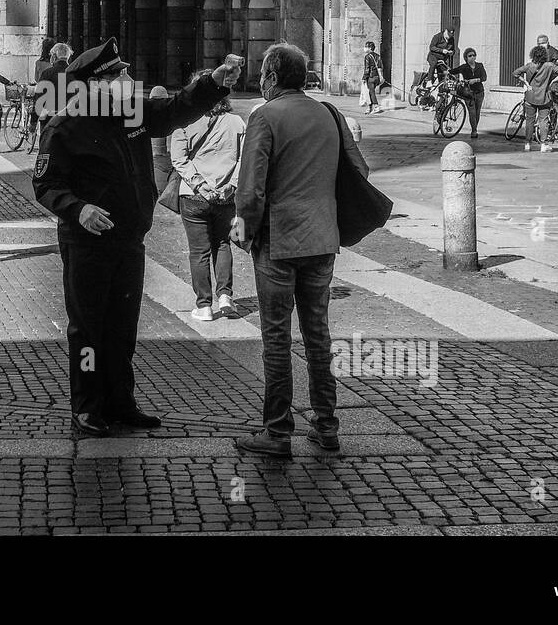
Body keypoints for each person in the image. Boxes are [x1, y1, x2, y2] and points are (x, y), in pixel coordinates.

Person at [33, 38, 243, 437]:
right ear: (95, 84)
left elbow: (173, 111)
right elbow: (45, 183)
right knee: (89, 328)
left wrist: (214, 83)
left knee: (122, 325)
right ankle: (88, 407)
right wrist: (78, 209)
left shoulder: (131, 114)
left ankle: (121, 402)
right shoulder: (66, 124)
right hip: (87, 243)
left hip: (130, 240)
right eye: (119, 74)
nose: (128, 79)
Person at [230, 43, 368, 458]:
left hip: (279, 240)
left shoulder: (264, 116)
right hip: (322, 239)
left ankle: (277, 432)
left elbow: (251, 187)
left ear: (271, 78)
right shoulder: (329, 113)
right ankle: (326, 426)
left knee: (276, 337)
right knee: (318, 336)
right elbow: (358, 169)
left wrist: (243, 224)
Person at [171, 71, 245, 322]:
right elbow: (243, 160)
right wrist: (231, 186)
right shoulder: (237, 122)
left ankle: (203, 305)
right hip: (226, 197)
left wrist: (201, 185)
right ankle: (225, 296)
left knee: (198, 251)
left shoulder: (185, 122)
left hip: (193, 197)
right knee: (223, 244)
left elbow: (178, 159)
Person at [513, 45, 558, 151]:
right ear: (544, 55)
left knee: (529, 121)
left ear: (533, 55)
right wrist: (553, 81)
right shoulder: (550, 66)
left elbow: (515, 73)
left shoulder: (529, 66)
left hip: (530, 96)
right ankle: (543, 145)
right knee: (543, 121)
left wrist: (526, 83)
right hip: (544, 98)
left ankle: (527, 144)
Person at [450, 48, 488, 138]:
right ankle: (474, 131)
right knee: (472, 113)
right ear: (466, 57)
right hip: (468, 93)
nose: (472, 57)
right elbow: (453, 71)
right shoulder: (464, 67)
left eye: (474, 55)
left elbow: (484, 77)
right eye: (470, 56)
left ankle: (474, 128)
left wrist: (476, 80)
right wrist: (445, 71)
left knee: (477, 112)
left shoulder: (480, 65)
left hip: (479, 92)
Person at [536, 33, 558, 106]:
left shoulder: (554, 53)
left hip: (553, 80)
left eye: (542, 43)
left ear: (547, 43)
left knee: (552, 97)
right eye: (539, 44)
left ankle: (555, 114)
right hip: (542, 79)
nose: (540, 45)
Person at [361, 41, 385, 114]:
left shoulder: (367, 57)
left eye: (366, 47)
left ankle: (376, 106)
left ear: (370, 48)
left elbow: (367, 69)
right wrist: (381, 77)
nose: (365, 48)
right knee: (371, 92)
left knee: (371, 92)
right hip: (377, 77)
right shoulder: (378, 56)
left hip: (370, 77)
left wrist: (364, 78)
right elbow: (380, 67)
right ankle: (369, 107)